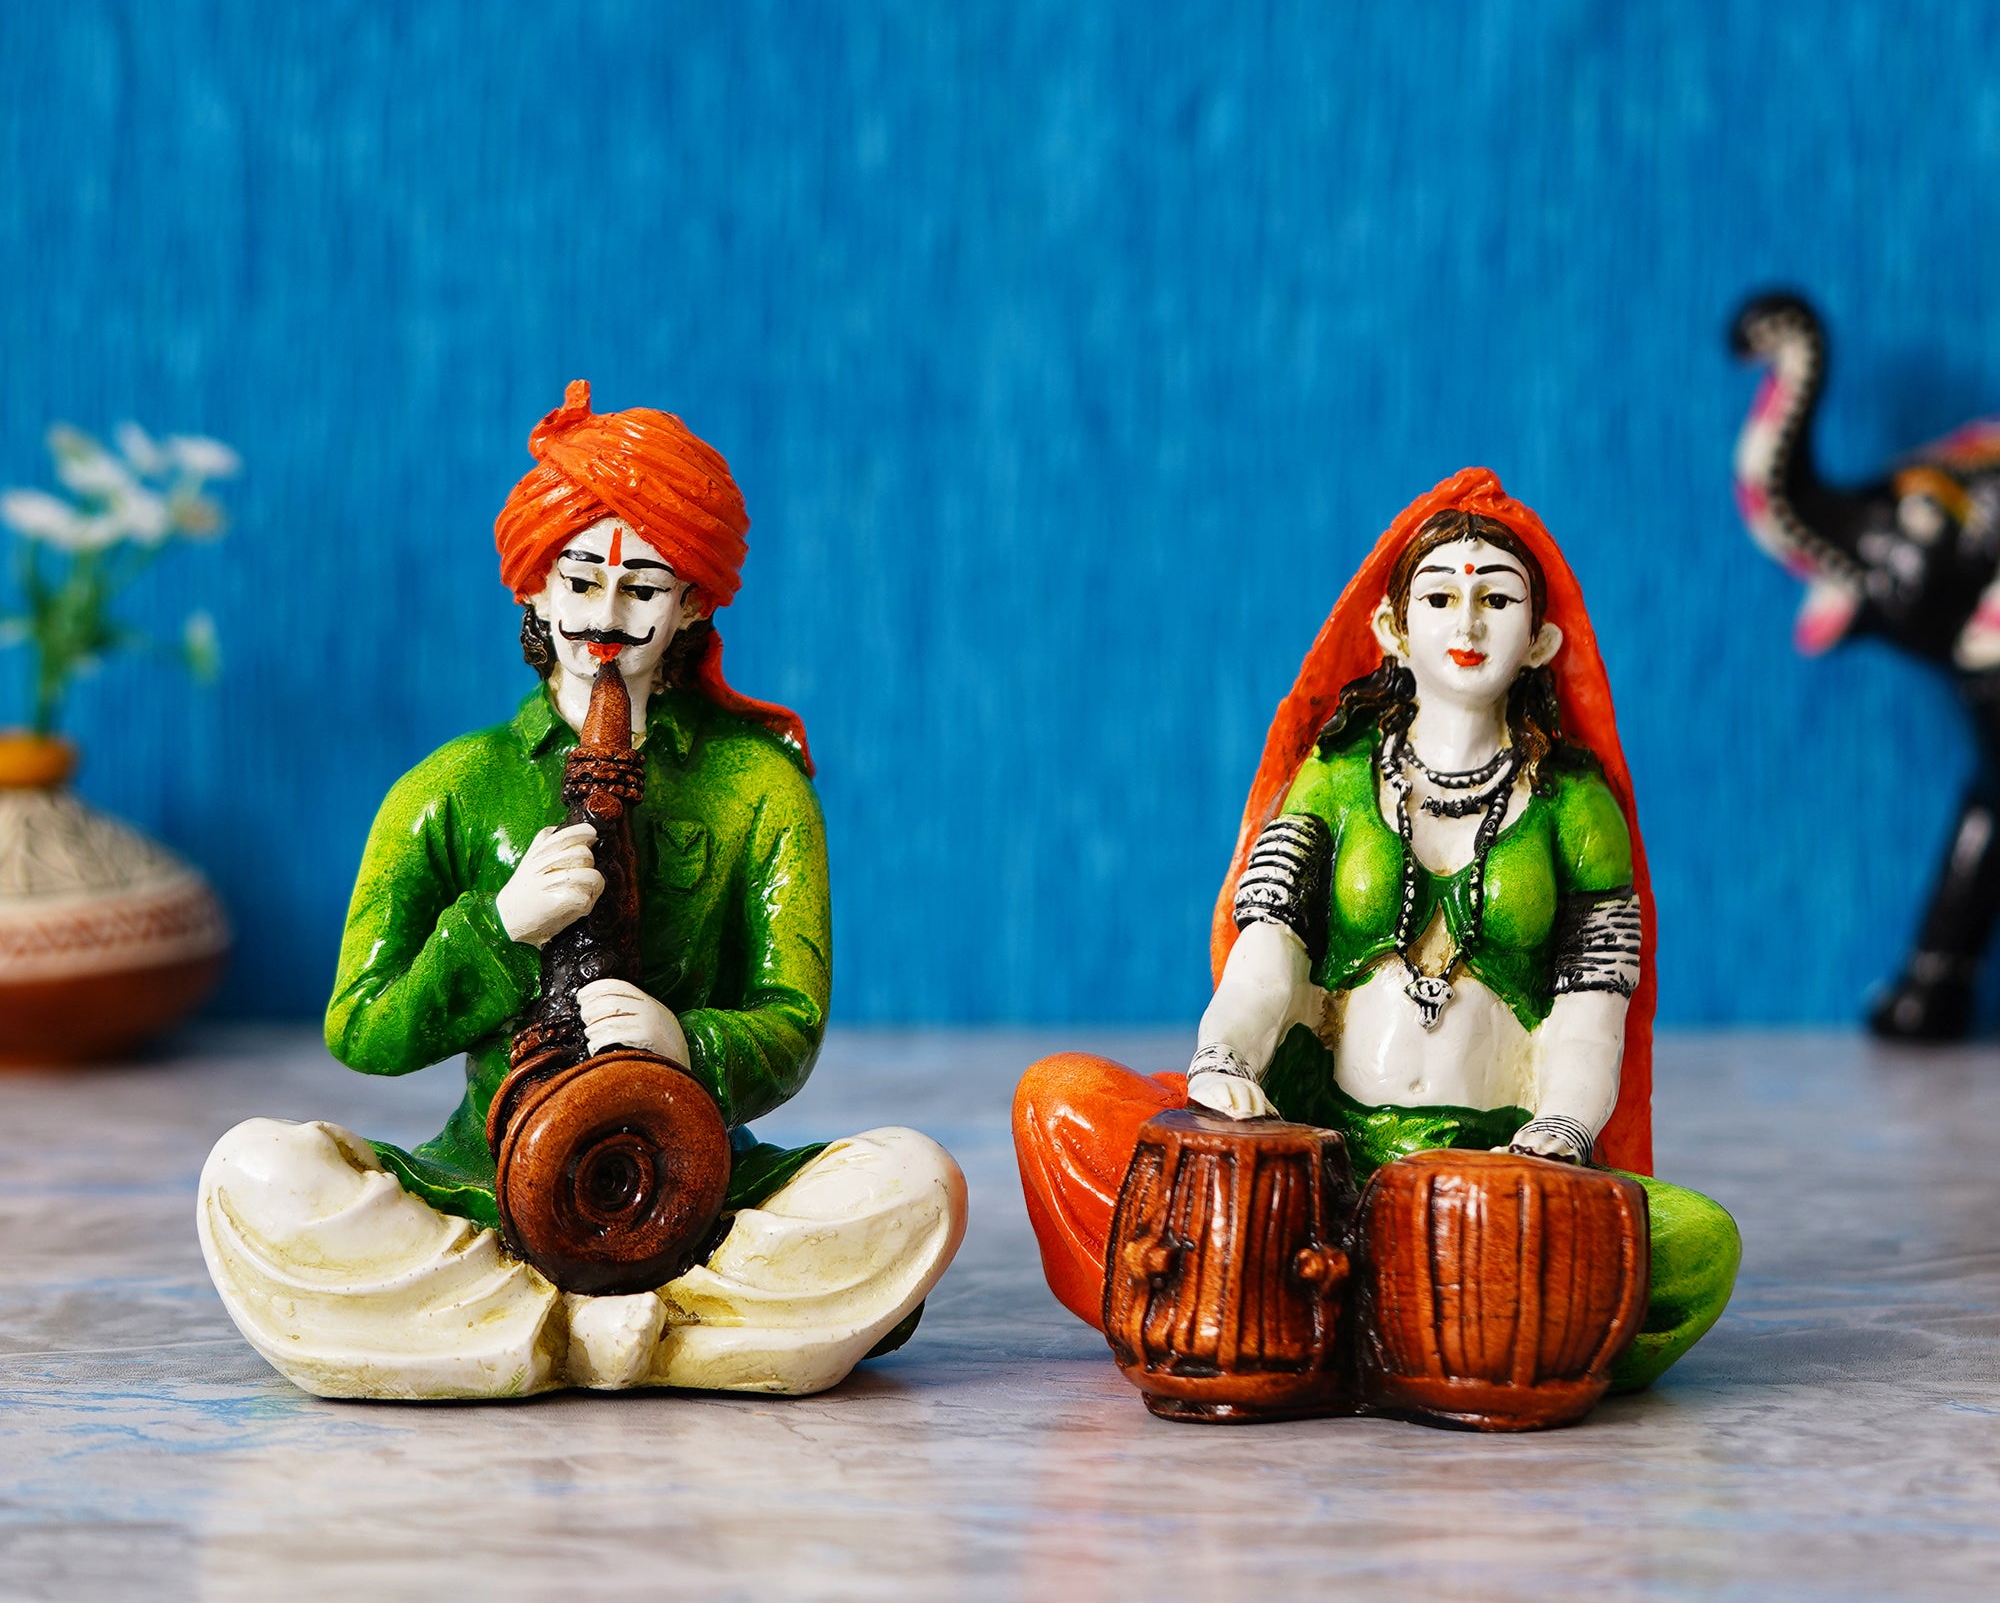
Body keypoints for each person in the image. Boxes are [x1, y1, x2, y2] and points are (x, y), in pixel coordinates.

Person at [200, 383, 965, 1399]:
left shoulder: (759, 787)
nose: (605, 617)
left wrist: (680, 1042)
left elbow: (789, 1020)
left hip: (699, 1189)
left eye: (642, 589)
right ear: (535, 590)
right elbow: (361, 1027)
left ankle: (541, 1332)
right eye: (581, 584)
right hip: (485, 1183)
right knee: (253, 1170)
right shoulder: (452, 788)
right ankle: (634, 1330)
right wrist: (499, 928)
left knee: (917, 1180)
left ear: (693, 600)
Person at [1013, 469, 1737, 1392]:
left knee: (1695, 1246)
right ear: (1394, 629)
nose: (1467, 625)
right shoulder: (1336, 774)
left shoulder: (1574, 803)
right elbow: (1267, 957)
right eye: (1440, 596)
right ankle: (1415, 1317)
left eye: (1496, 600)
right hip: (1316, 1162)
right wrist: (1225, 1060)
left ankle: (1325, 1305)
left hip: (1490, 1172)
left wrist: (1562, 1127)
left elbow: (1591, 1015)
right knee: (1060, 1099)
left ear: (1542, 638)